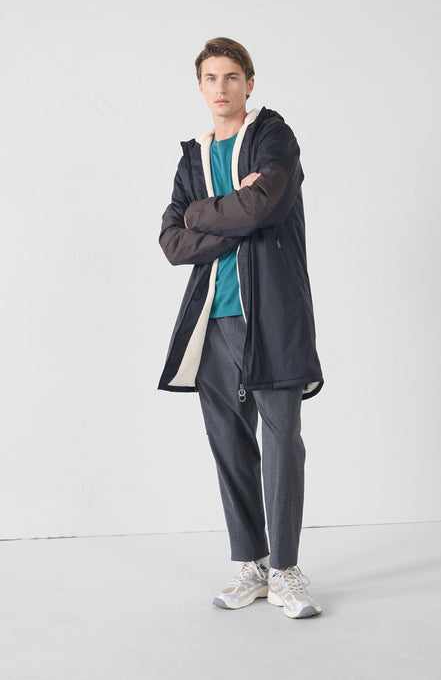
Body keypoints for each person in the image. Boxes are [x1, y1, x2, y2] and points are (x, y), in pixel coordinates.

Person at [158, 37, 324, 619]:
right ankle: (250, 563)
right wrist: (229, 211)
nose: (221, 88)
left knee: (281, 442)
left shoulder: (274, 136)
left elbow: (263, 208)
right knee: (230, 443)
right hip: (213, 319)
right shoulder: (192, 159)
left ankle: (285, 570)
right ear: (200, 86)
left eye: (232, 77)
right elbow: (172, 241)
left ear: (249, 83)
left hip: (271, 316)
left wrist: (203, 214)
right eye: (211, 78)